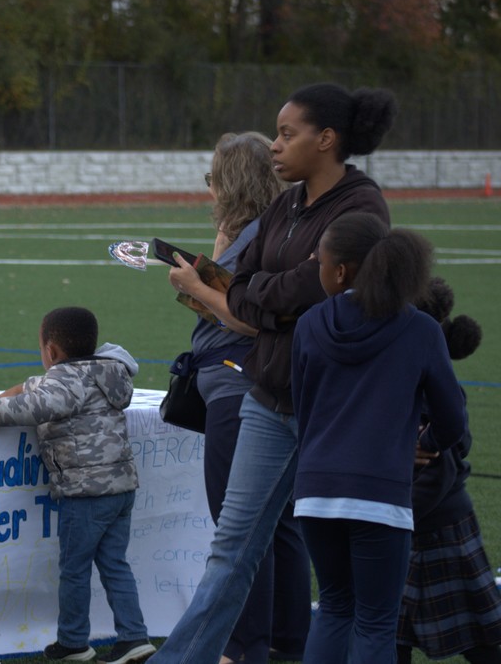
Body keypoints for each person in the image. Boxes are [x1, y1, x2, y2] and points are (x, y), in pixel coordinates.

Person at [148, 82, 398, 664]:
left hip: (332, 405)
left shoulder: (362, 206)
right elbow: (251, 290)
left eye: (287, 135)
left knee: (338, 560)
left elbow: (306, 290)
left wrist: (259, 296)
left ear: (327, 139)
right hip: (266, 396)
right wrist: (262, 297)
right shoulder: (284, 205)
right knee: (232, 546)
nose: (276, 147)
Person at [291, 213, 467, 662]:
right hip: (380, 495)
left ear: (342, 271)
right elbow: (453, 419)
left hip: (315, 490)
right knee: (374, 622)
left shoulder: (310, 323)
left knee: (333, 609)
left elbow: (304, 409)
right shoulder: (421, 329)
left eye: (320, 262)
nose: (318, 269)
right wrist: (427, 442)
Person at [166, 132, 309, 664]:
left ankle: (244, 645)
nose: (208, 188)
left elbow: (250, 320)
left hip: (238, 387)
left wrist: (193, 284)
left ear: (231, 180)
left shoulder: (261, 235)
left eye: (213, 177)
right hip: (245, 383)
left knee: (240, 528)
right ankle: (284, 641)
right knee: (278, 524)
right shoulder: (263, 228)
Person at [0, 307, 156, 664]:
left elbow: (32, 406)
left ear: (52, 351)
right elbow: (34, 387)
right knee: (115, 564)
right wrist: (6, 393)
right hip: (120, 488)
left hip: (84, 491)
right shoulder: (106, 371)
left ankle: (73, 641)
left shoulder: (62, 381)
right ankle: (134, 636)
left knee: (74, 569)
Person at [397, 277, 501, 664]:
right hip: (411, 523)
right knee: (391, 635)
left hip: (437, 527)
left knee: (479, 640)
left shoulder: (436, 387)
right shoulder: (406, 377)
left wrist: (399, 513)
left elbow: (440, 472)